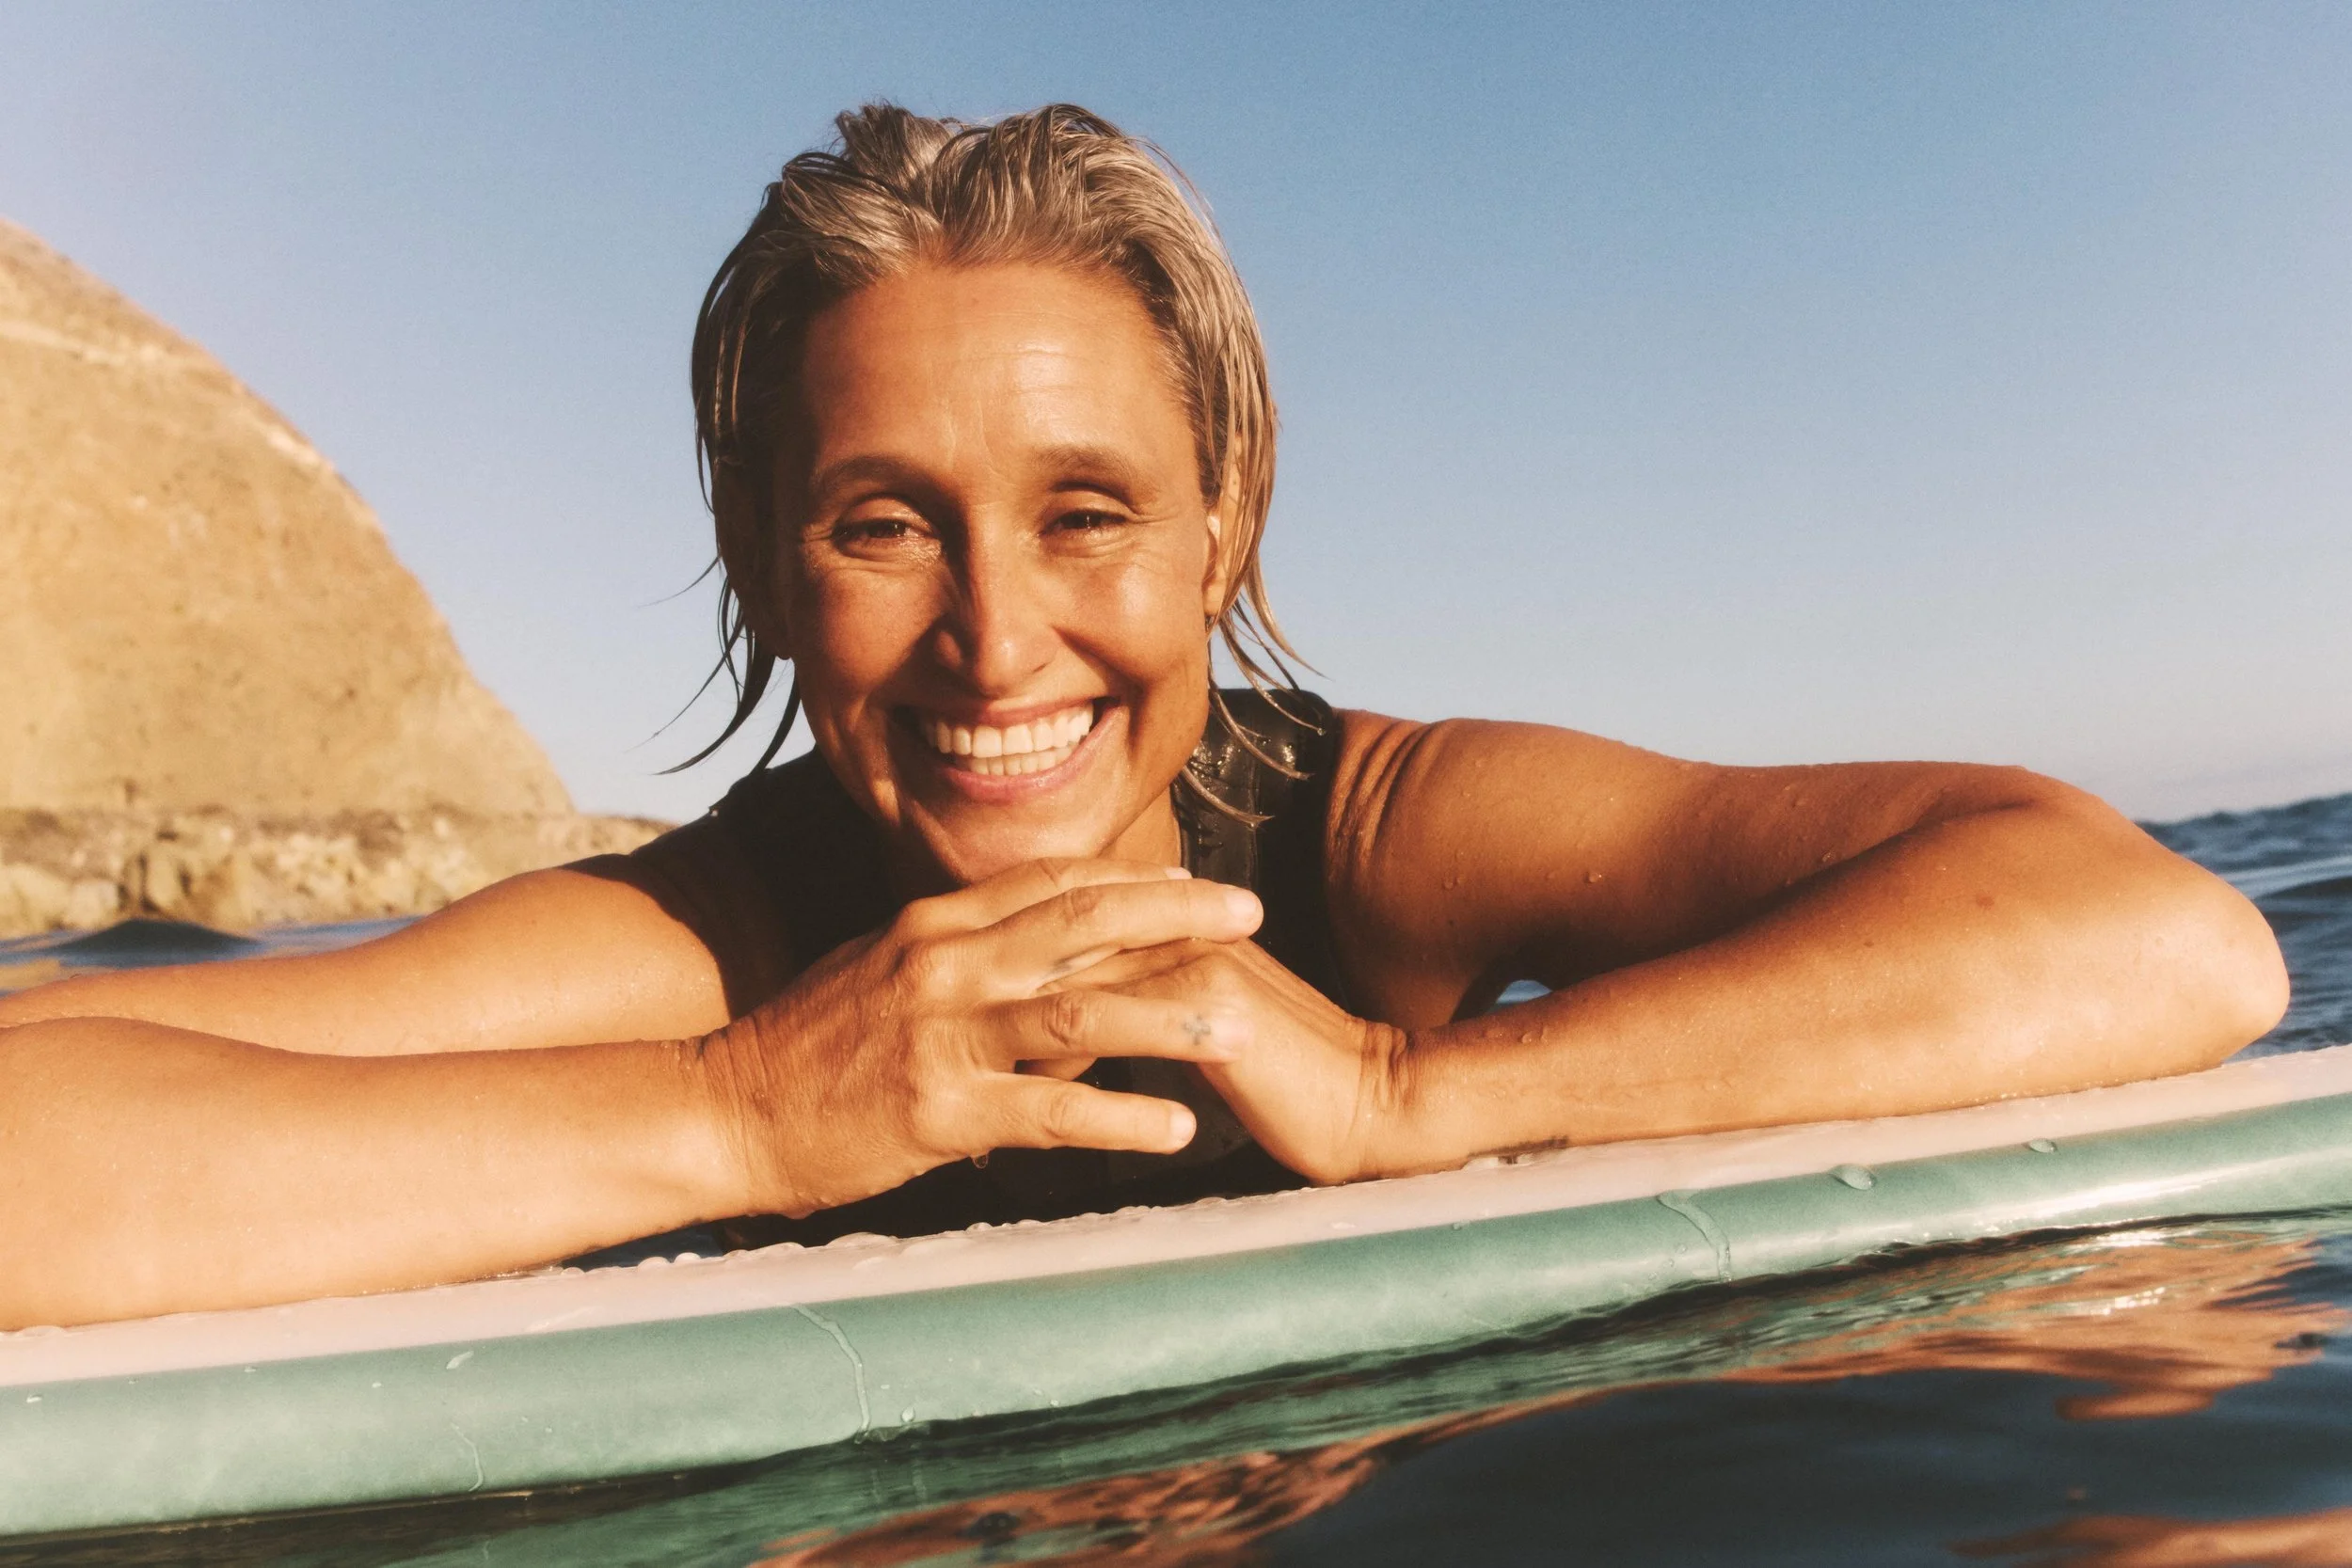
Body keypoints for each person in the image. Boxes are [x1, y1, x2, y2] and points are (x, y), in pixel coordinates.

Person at [0, 103, 2286, 1330]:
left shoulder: (1370, 833)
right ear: (768, 559)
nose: (997, 644)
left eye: (1084, 513)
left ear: (1221, 526)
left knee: (2142, 1341)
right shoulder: (716, 950)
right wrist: (742, 1114)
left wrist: (1409, 1090)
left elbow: (2155, 937)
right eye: (886, 524)